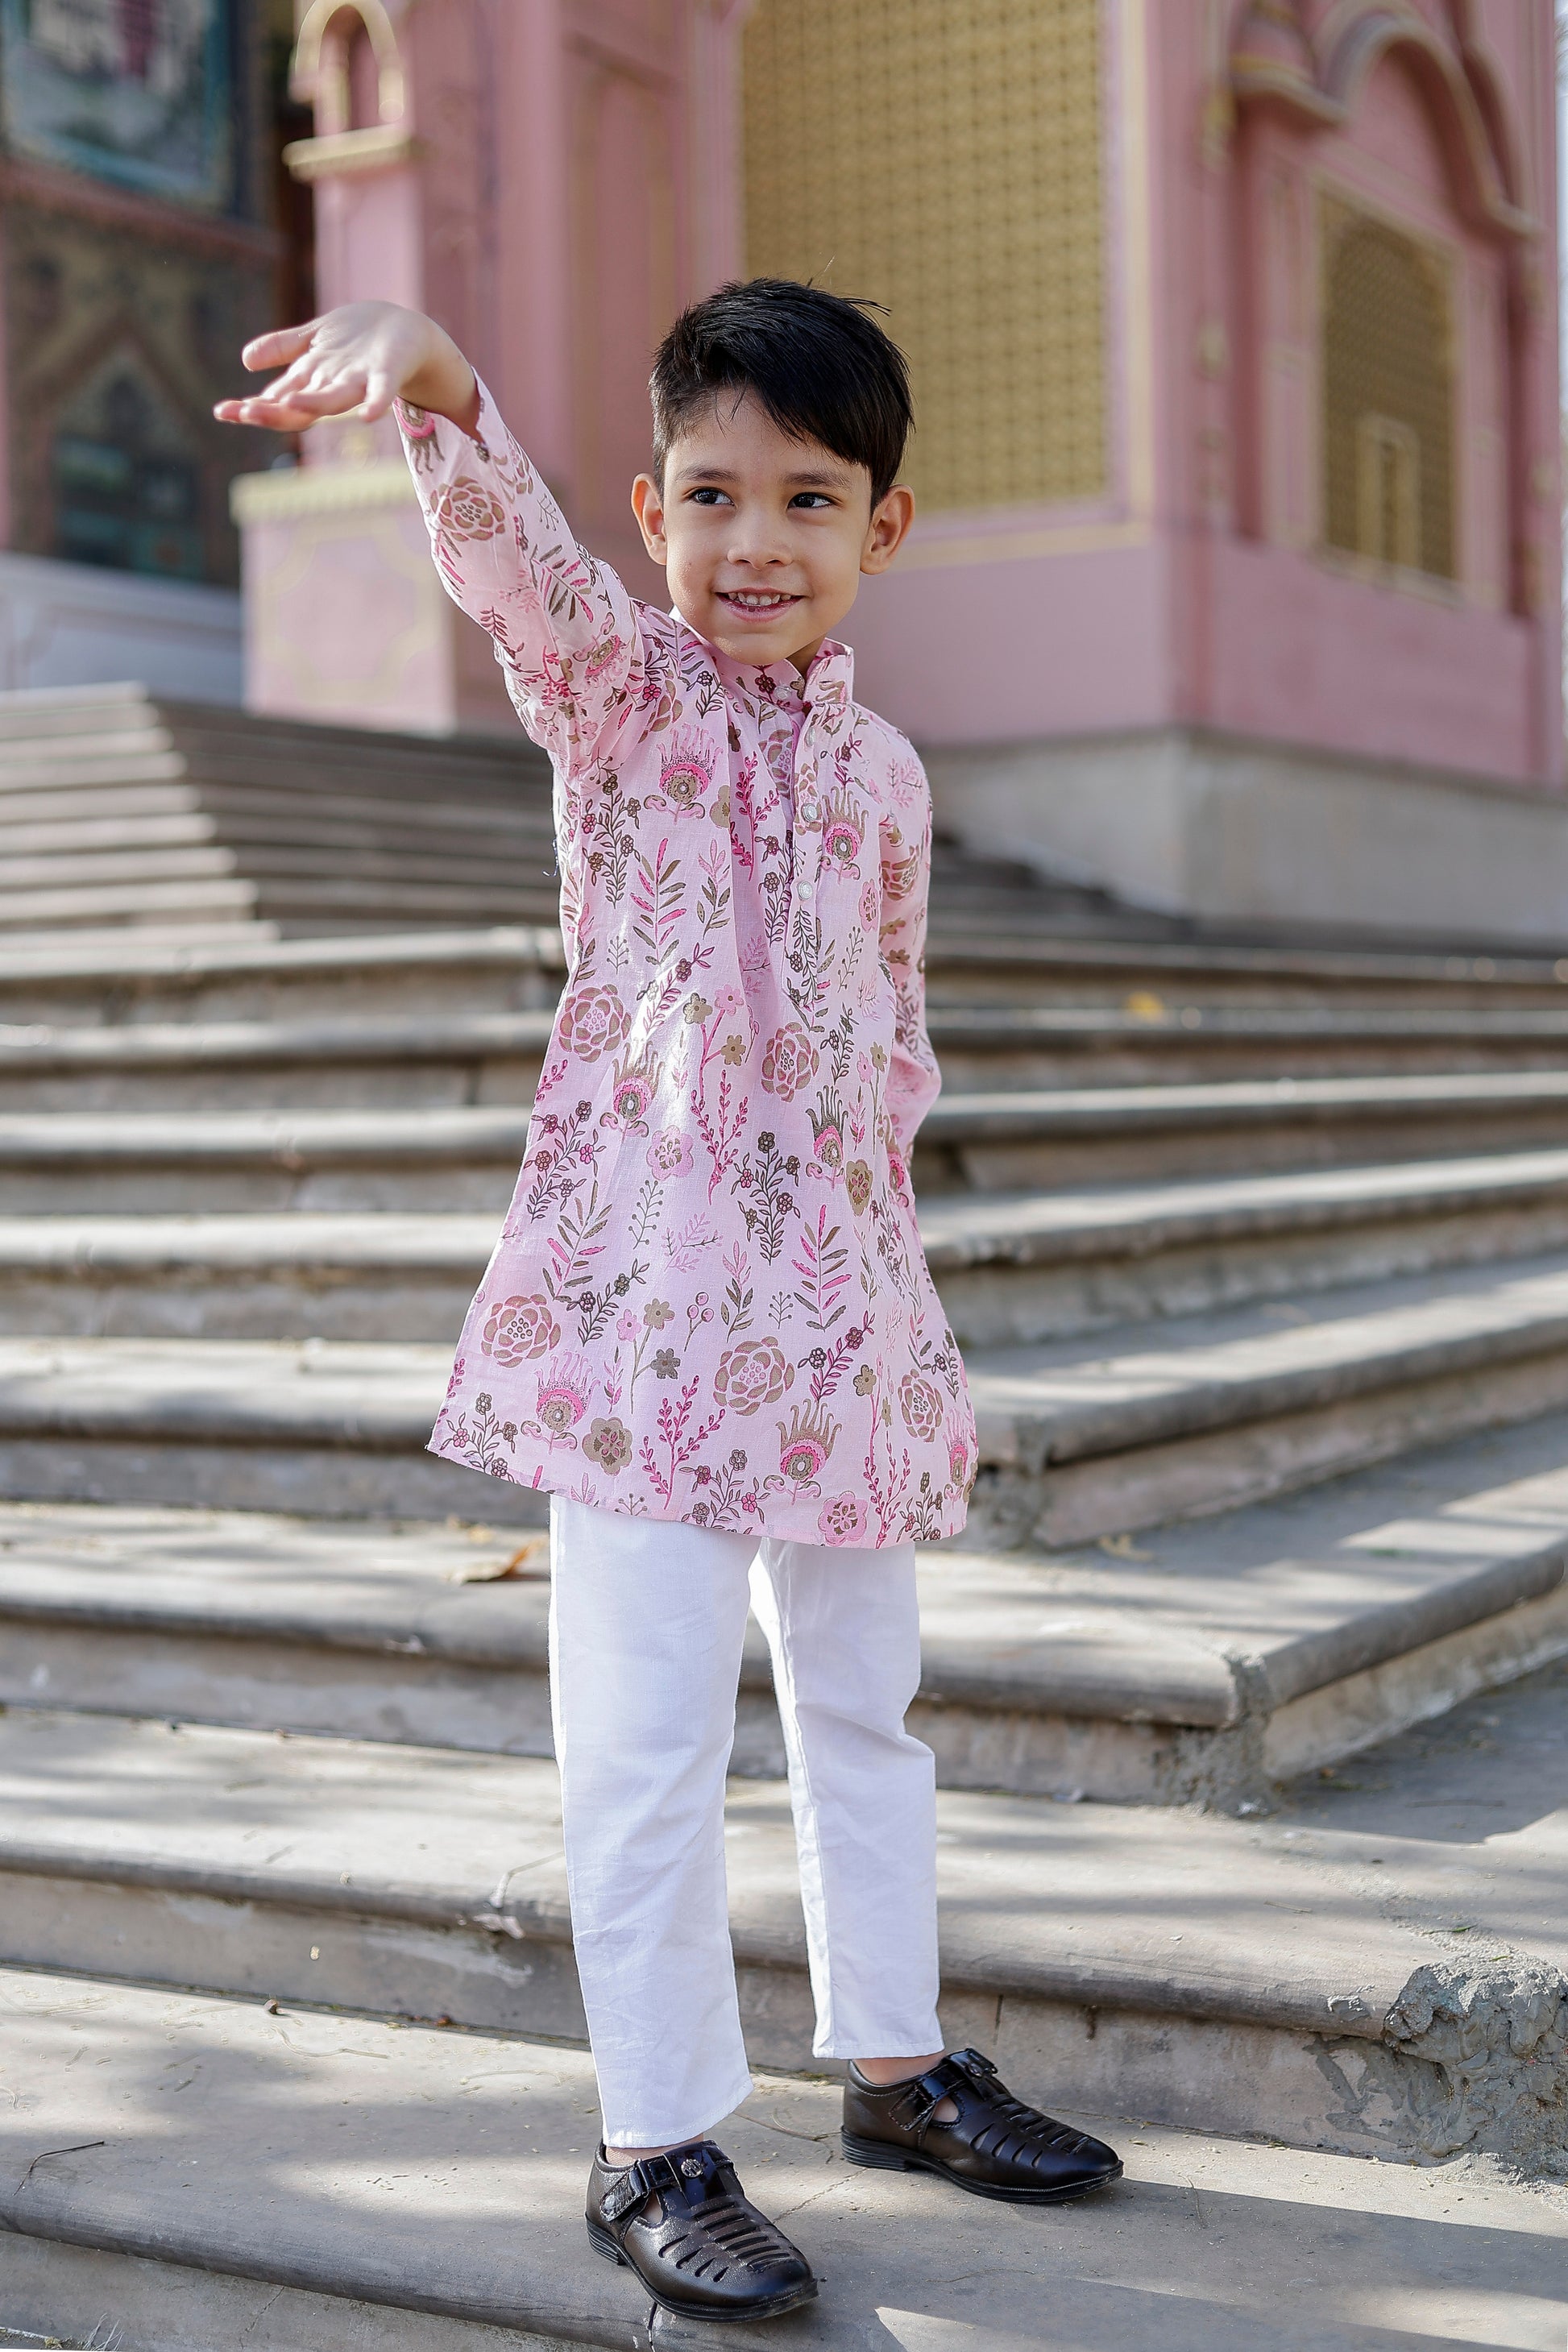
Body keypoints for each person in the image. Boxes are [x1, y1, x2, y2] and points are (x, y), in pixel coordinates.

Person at [218, 281, 1121, 2326]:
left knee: (862, 1713)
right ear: (649, 511)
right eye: (708, 495)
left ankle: (897, 2064)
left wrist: (895, 1294)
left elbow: (894, 1041)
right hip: (638, 1320)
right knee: (639, 1744)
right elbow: (522, 586)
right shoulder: (624, 702)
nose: (753, 544)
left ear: (881, 528)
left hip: (841, 1331)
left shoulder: (885, 776)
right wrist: (445, 394)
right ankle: (654, 2138)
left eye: (807, 500)